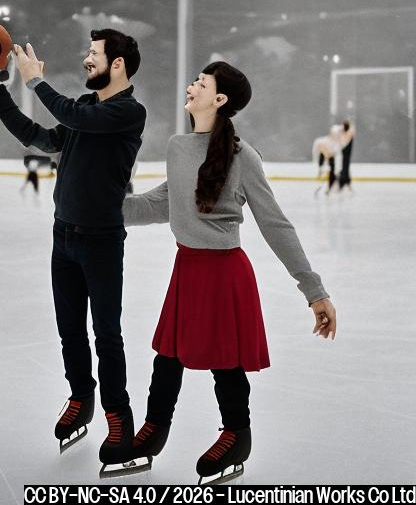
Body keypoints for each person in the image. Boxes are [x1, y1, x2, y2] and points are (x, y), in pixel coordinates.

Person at [121, 62, 338, 485]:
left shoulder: (243, 157)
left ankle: (237, 434)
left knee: (225, 363)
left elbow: (275, 224)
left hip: (224, 272)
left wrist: (314, 290)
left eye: (201, 84)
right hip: (187, 267)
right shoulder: (178, 147)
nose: (191, 86)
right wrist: (101, 204)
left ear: (219, 100)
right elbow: (159, 204)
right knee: (168, 355)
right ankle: (153, 430)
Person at [0, 29, 147, 476]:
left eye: (94, 54)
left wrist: (34, 82)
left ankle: (118, 415)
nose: (87, 60)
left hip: (102, 240)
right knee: (70, 330)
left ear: (118, 64)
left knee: (106, 334)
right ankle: (81, 397)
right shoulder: (85, 110)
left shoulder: (128, 112)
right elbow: (38, 136)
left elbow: (75, 117)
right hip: (63, 237)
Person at [312, 126, 342, 195]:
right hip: (323, 165)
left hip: (330, 166)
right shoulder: (322, 141)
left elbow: (334, 154)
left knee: (331, 173)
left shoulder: (337, 144)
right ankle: (323, 188)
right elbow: (318, 150)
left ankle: (328, 189)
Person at [337, 120, 356, 192]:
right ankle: (345, 181)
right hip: (345, 154)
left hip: (345, 154)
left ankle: (344, 181)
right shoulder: (347, 134)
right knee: (345, 165)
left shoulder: (347, 135)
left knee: (345, 165)